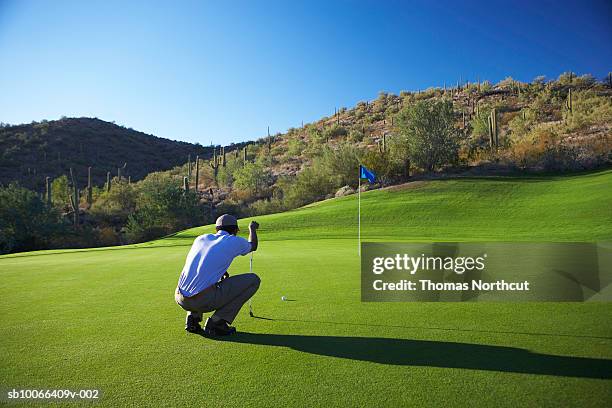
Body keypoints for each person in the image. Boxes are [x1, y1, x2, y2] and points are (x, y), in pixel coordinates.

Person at [175, 214, 260, 336]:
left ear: (217, 229)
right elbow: (253, 245)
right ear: (235, 230)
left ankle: (192, 318)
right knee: (254, 280)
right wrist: (252, 228)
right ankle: (217, 322)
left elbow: (203, 262)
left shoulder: (201, 238)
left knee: (196, 284)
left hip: (180, 298)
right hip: (202, 300)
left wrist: (219, 270)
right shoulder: (233, 240)